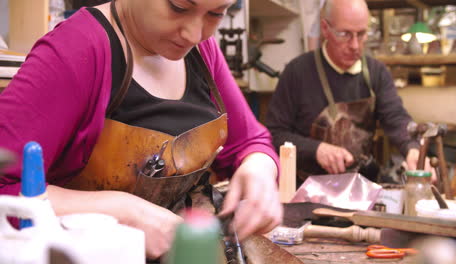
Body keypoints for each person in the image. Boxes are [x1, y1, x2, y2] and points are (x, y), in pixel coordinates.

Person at [0, 0, 282, 259]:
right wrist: (120, 211)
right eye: (178, 7)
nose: (194, 34)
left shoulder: (202, 51)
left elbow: (250, 141)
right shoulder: (75, 50)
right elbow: (4, 188)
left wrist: (260, 168)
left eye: (215, 14)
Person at [266, 0, 430, 183]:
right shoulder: (297, 72)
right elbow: (274, 134)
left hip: (360, 188)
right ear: (325, 29)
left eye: (361, 34)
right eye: (344, 34)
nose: (354, 45)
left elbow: (396, 118)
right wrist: (316, 149)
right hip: (304, 191)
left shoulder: (377, 73)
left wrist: (412, 148)